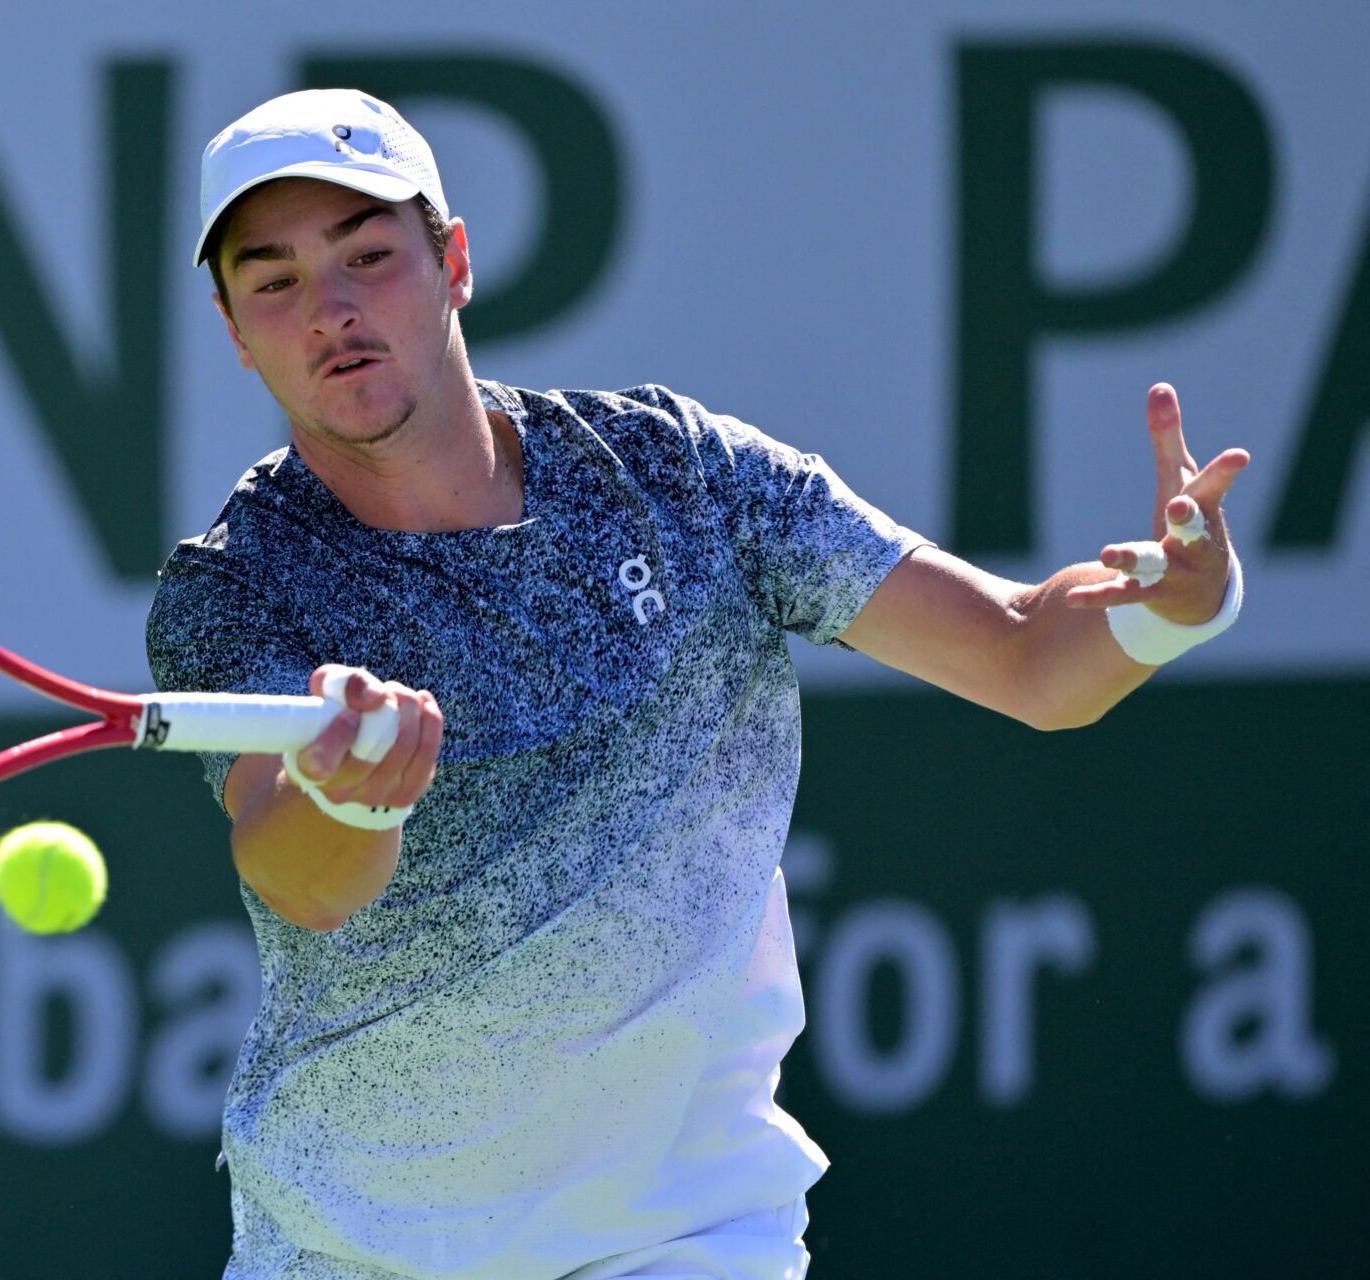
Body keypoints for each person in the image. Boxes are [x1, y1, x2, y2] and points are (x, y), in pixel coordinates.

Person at [145, 89, 1247, 1280]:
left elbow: (1032, 658)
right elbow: (296, 872)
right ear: (232, 325)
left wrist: (1177, 604)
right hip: (348, 1245)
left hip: (682, 1236)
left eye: (370, 257)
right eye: (278, 283)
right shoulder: (238, 585)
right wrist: (356, 795)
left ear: (454, 261)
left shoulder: (682, 477)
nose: (334, 312)